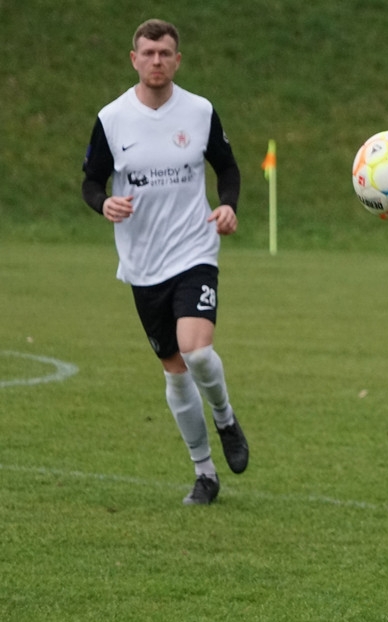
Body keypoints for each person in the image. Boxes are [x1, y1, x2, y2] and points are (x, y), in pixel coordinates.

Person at [81, 18, 249, 505]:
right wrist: (104, 204)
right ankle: (204, 473)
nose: (157, 60)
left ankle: (226, 419)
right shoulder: (112, 118)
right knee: (175, 370)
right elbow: (91, 181)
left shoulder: (199, 111)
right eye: (148, 53)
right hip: (142, 262)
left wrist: (228, 205)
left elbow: (228, 167)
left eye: (165, 53)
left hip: (194, 250)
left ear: (177, 60)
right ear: (134, 59)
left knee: (197, 352)